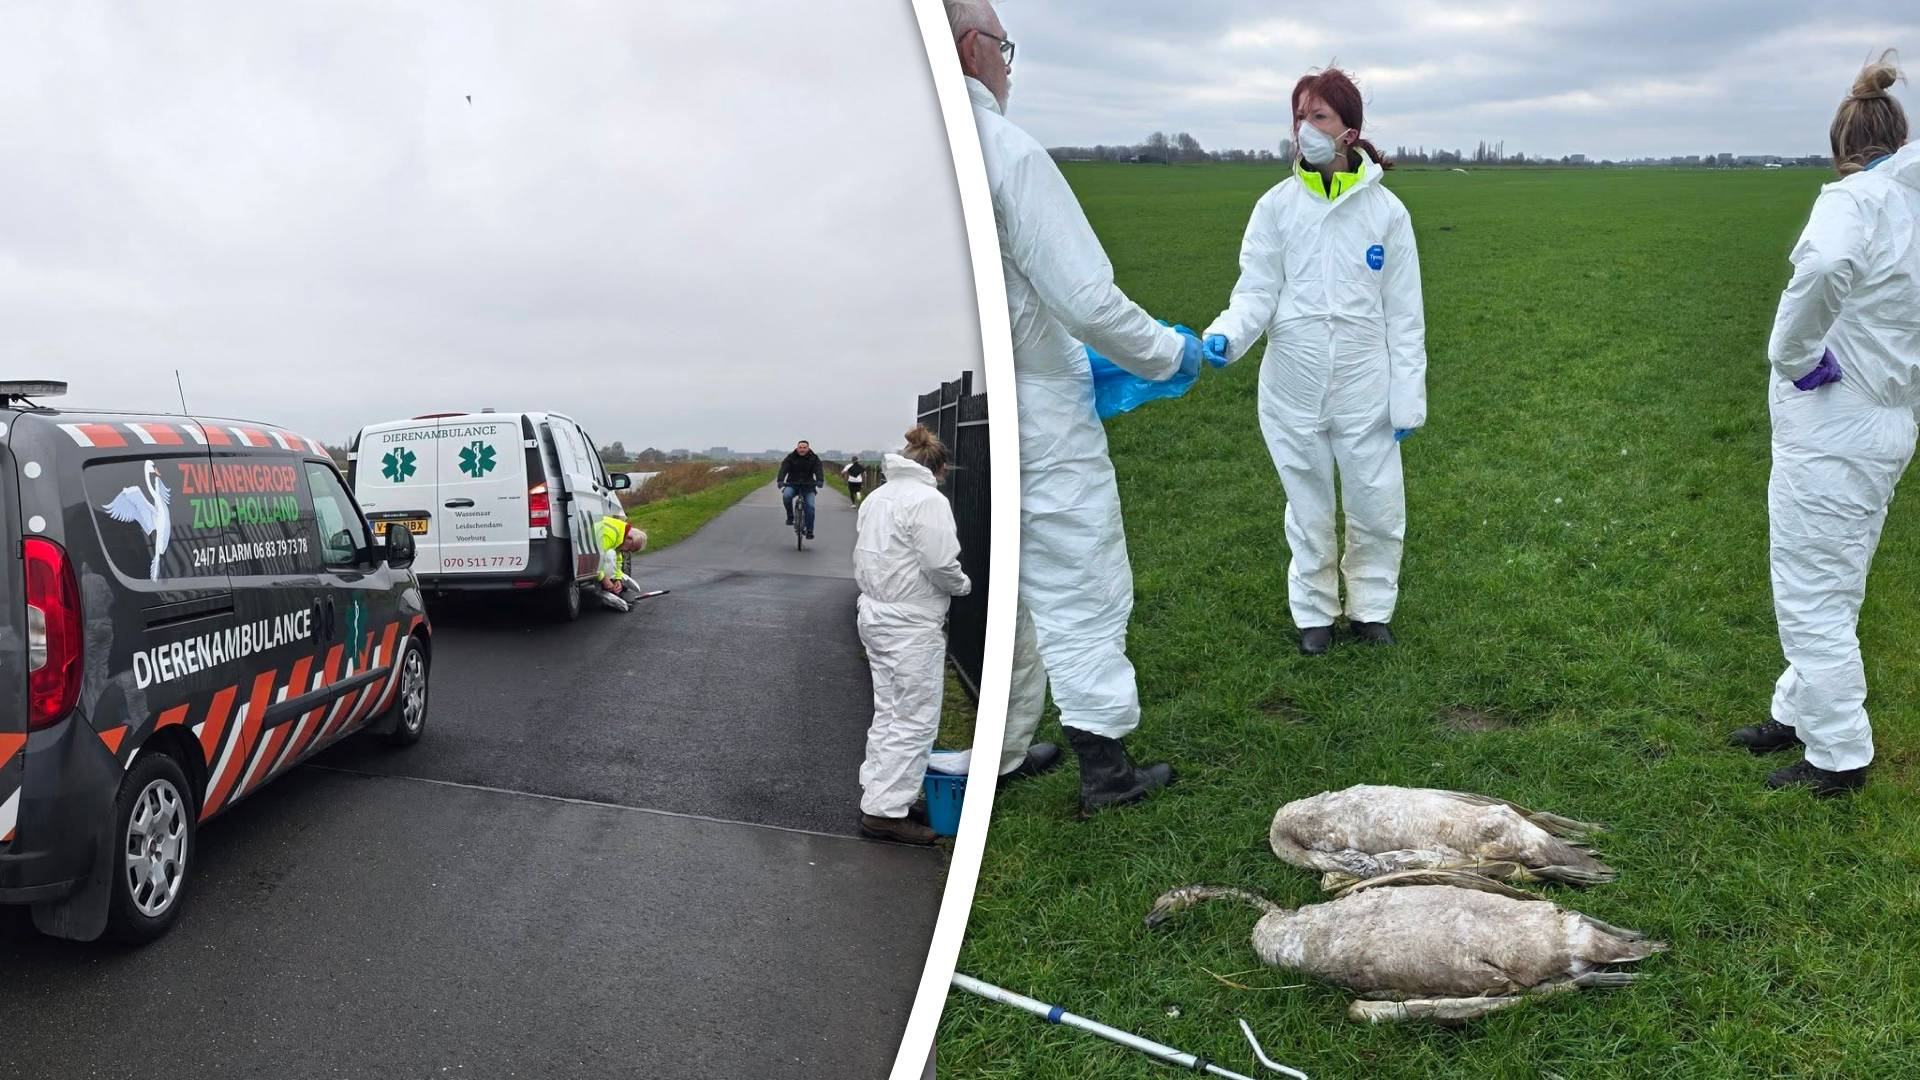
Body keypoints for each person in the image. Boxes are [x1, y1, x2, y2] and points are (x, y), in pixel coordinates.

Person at [946, 0, 1202, 816]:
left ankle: (1008, 747)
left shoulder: (941, 157)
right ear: (972, 49)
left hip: (981, 407)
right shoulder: (1009, 153)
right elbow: (1087, 298)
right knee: (1081, 577)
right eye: (1005, 47)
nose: (1009, 66)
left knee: (1012, 586)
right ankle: (1105, 770)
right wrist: (1169, 355)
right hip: (1042, 416)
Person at [1730, 53, 1917, 797]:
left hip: (1838, 424)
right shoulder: (1908, 208)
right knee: (1835, 582)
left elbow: (1826, 263)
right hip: (1889, 421)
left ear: (1841, 146)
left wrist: (1794, 354)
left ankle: (1839, 753)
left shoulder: (1854, 202)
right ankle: (1798, 710)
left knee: (1811, 591)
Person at [1200, 66, 1427, 656]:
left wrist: (1407, 393)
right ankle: (1315, 613)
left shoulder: (1386, 214)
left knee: (1376, 501)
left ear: (1349, 131)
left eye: (1318, 116)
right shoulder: (1276, 207)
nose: (1304, 128)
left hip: (1364, 385)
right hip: (1292, 384)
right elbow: (1255, 291)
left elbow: (1405, 315)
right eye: (1299, 116)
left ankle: (1372, 608)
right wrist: (1228, 332)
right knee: (1308, 505)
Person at [853, 427, 972, 844]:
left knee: (888, 711)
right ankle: (885, 813)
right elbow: (941, 563)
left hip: (875, 613)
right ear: (938, 468)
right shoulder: (928, 501)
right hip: (910, 622)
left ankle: (883, 796)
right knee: (915, 718)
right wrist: (962, 586)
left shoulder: (877, 497)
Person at [593, 514, 649, 613]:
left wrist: (617, 579)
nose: (626, 552)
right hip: (581, 553)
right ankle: (603, 591)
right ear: (629, 538)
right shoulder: (610, 534)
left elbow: (618, 561)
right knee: (610, 554)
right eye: (629, 549)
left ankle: (610, 586)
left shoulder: (620, 534)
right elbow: (596, 558)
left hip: (590, 553)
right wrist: (604, 579)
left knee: (613, 554)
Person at [777, 439, 824, 539]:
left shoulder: (814, 458)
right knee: (786, 496)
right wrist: (780, 480)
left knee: (810, 507)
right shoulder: (791, 457)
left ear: (808, 448)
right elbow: (784, 468)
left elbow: (818, 469)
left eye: (804, 448)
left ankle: (810, 531)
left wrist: (820, 480)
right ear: (797, 448)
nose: (802, 449)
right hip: (792, 484)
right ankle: (790, 517)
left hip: (808, 486)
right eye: (800, 447)